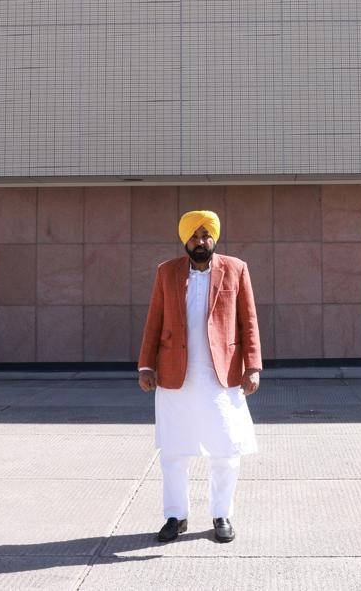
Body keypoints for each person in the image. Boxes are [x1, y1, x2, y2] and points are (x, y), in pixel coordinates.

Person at [138, 210, 262, 544]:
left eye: (206, 235)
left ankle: (222, 514)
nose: (200, 241)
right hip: (174, 375)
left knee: (225, 448)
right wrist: (146, 365)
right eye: (194, 236)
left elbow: (248, 321)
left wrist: (252, 366)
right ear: (185, 239)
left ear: (214, 238)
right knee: (173, 450)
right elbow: (154, 320)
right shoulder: (167, 272)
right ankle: (175, 516)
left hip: (221, 376)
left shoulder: (236, 269)